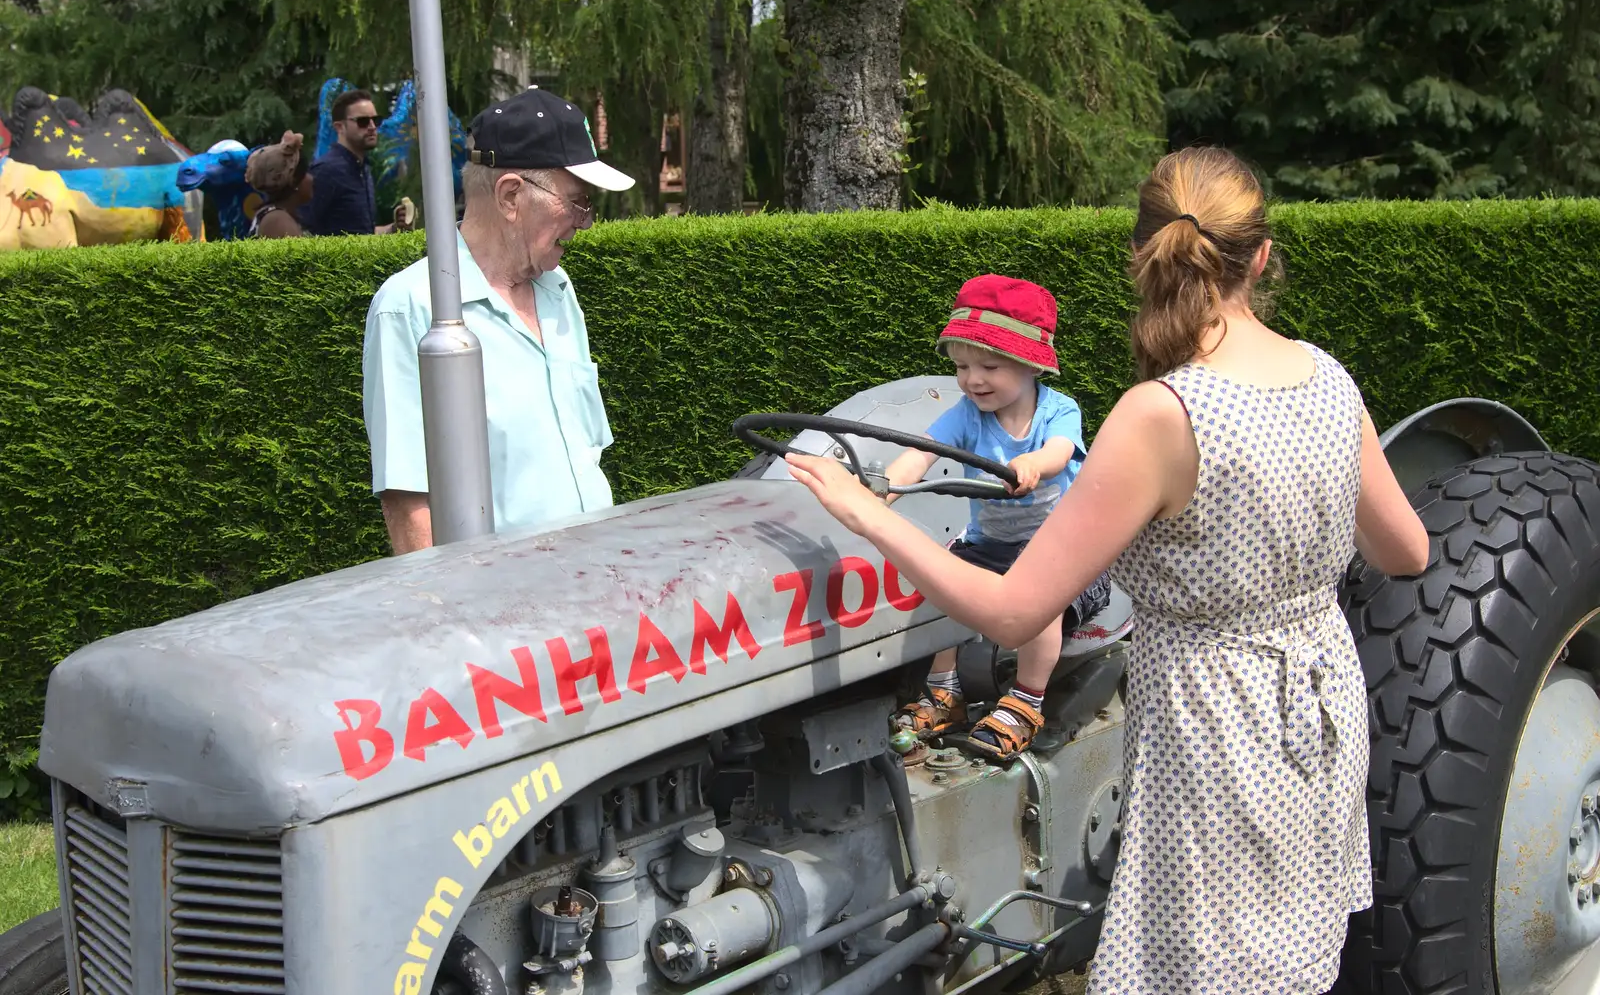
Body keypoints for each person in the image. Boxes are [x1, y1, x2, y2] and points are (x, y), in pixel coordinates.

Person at [786, 145, 1430, 993]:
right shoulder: (1331, 382)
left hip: (1215, 734)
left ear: (1142, 256)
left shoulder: (1162, 416)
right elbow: (1406, 552)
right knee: (1288, 957)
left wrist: (863, 509)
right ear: (1262, 257)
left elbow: (1015, 611)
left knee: (1203, 966)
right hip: (1323, 713)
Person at [362, 86, 636, 555]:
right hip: (503, 612)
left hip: (596, 590)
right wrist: (449, 618)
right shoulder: (413, 308)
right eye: (578, 202)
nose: (586, 222)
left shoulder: (559, 291)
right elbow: (409, 503)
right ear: (511, 195)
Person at [880, 273, 1114, 760]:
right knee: (939, 581)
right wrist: (885, 489)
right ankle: (945, 690)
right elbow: (919, 453)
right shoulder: (966, 414)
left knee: (1038, 603)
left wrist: (1034, 463)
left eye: (988, 365)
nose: (972, 380)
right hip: (988, 545)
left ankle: (1026, 701)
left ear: (1031, 366)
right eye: (962, 366)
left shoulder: (1057, 411)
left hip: (1058, 550)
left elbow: (1060, 450)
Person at [301, 89, 410, 237]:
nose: (372, 127)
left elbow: (362, 233)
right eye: (363, 121)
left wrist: (394, 227)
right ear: (340, 127)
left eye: (376, 120)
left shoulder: (363, 168)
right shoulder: (326, 171)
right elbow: (301, 231)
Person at [244, 131, 313, 238]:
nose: (312, 178)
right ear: (294, 181)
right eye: (306, 173)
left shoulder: (278, 216)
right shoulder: (277, 221)